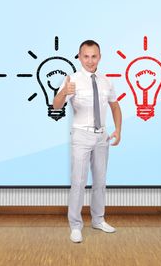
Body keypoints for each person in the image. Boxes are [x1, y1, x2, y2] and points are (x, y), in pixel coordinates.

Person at [53, 40, 122, 243]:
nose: (90, 60)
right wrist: (64, 92)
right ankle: (75, 225)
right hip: (81, 135)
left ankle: (98, 220)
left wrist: (118, 129)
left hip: (102, 136)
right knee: (78, 182)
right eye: (86, 56)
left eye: (94, 56)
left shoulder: (106, 81)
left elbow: (115, 107)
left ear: (99, 57)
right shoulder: (71, 80)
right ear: (79, 57)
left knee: (100, 182)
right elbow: (56, 106)